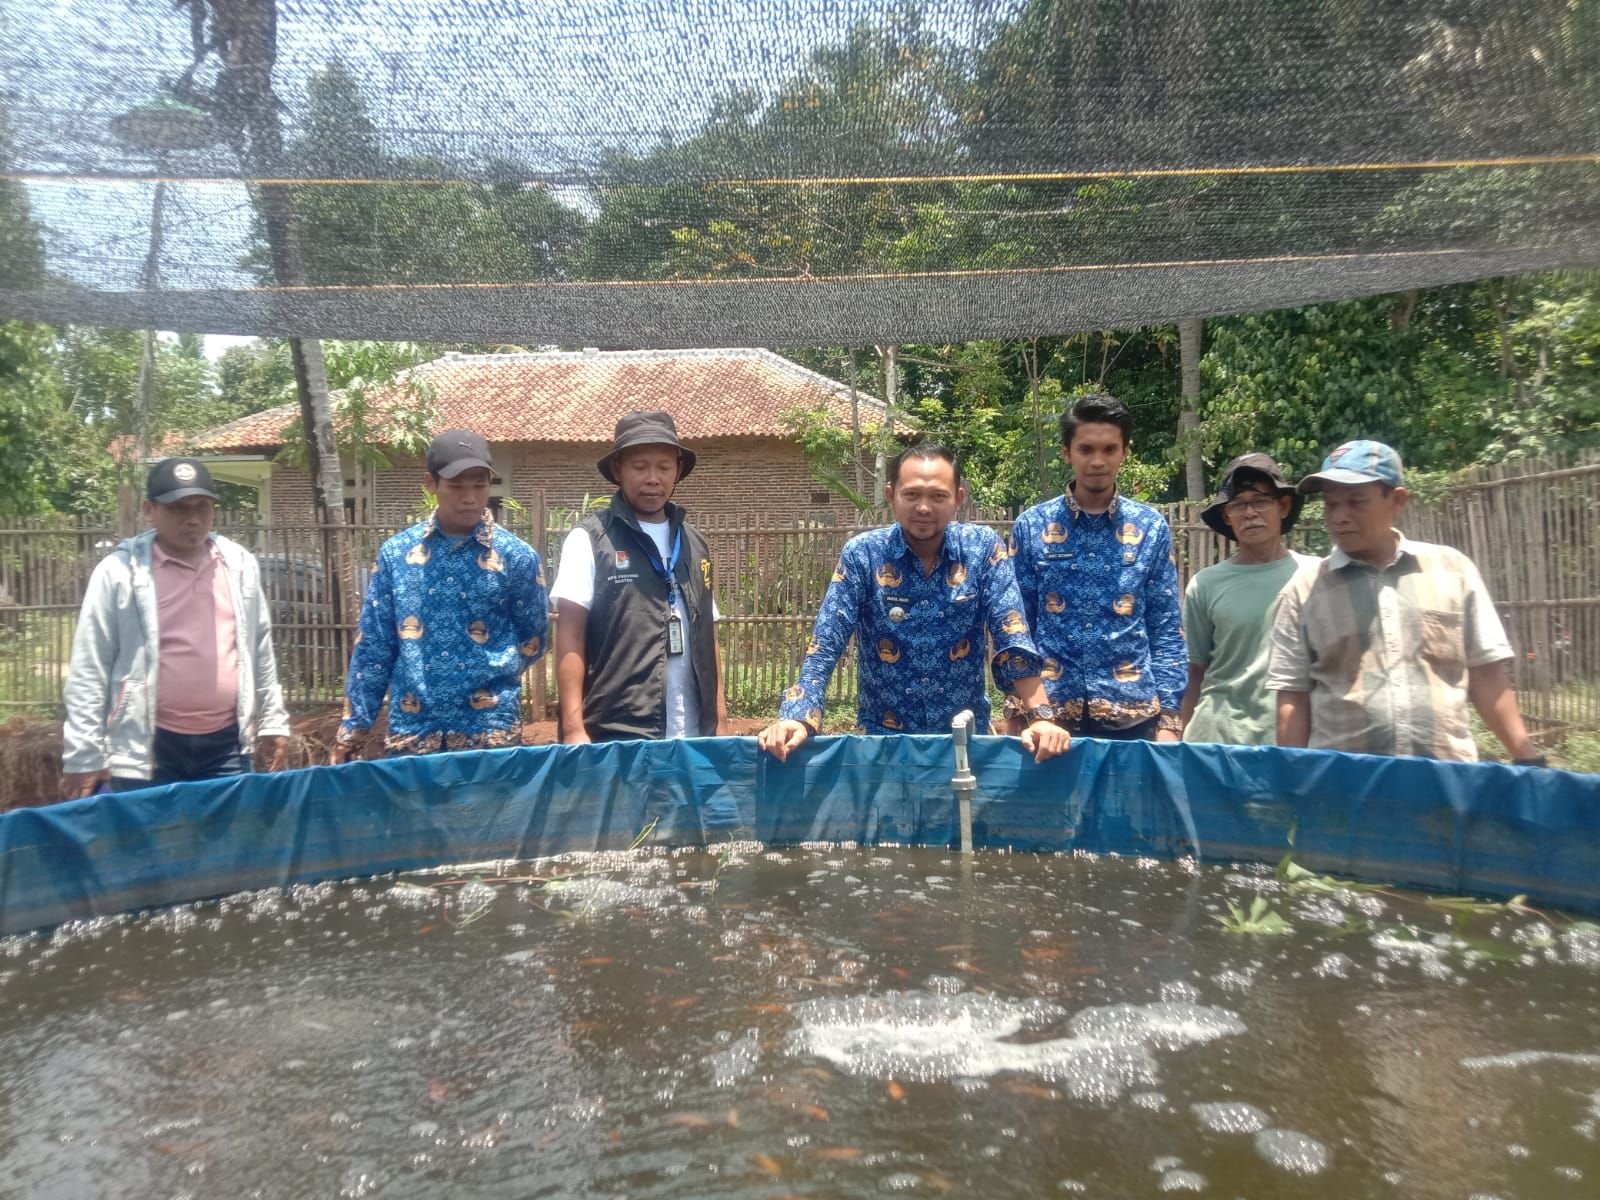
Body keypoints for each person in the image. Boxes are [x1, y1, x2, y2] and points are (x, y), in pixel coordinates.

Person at [758, 443, 1072, 763]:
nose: (924, 507)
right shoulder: (863, 554)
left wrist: (1042, 717)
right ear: (892, 494)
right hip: (884, 745)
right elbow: (826, 641)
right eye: (912, 495)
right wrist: (797, 716)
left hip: (965, 743)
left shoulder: (983, 550)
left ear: (958, 498)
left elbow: (1012, 635)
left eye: (938, 496)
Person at [1267, 440, 1544, 764]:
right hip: (1345, 790)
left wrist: (1526, 757)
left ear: (1397, 500)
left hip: (1445, 783)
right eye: (1331, 504)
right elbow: (1293, 698)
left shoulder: (1452, 570)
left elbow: (1485, 673)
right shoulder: (1303, 592)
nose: (1339, 517)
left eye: (1356, 502)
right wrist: (1292, 782)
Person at [60, 457, 290, 795]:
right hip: (148, 747)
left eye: (202, 507)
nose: (193, 519)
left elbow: (259, 647)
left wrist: (271, 720)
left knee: (224, 845)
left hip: (226, 746)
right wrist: (84, 755)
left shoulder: (238, 566)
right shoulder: (120, 572)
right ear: (149, 510)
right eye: (179, 509)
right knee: (146, 844)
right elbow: (89, 667)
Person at [333, 430, 547, 759]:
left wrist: (486, 674)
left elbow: (533, 638)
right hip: (413, 733)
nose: (470, 497)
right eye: (457, 486)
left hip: (491, 735)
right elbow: (375, 647)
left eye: (479, 485)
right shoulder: (398, 556)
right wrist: (354, 729)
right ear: (431, 484)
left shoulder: (516, 557)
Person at [1009, 394, 1186, 741]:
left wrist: (1169, 720)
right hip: (1050, 715)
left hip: (1133, 713)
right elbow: (1018, 627)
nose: (1098, 461)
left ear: (1125, 452)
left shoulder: (1149, 527)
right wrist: (1019, 708)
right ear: (1066, 453)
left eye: (1109, 450)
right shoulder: (1033, 526)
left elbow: (1165, 628)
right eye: (1086, 449)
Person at [551, 411, 726, 742]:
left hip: (694, 734)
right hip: (615, 732)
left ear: (677, 470)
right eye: (640, 466)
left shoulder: (694, 543)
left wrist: (720, 720)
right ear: (618, 469)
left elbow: (708, 636)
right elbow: (569, 636)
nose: (653, 478)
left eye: (664, 467)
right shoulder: (590, 539)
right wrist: (574, 729)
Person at [1180, 453, 1318, 745]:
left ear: (1283, 506)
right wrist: (1179, 747)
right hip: (1215, 740)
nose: (1250, 512)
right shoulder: (1206, 584)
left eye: (1260, 501)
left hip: (1291, 741)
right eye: (1238, 504)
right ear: (1227, 516)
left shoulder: (1317, 576)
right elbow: (1194, 672)